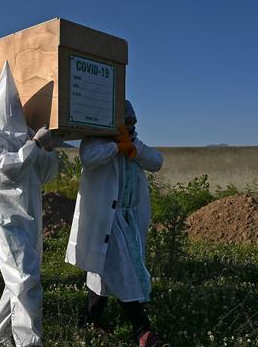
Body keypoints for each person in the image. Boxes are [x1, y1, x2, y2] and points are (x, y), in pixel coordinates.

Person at [0, 62, 58, 347]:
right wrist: (32, 144)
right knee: (24, 276)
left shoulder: (21, 135)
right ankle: (29, 342)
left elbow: (45, 174)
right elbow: (5, 168)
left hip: (29, 211)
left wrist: (47, 149)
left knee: (21, 277)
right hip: (5, 212)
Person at [65, 100, 163, 347]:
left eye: (132, 122)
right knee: (124, 270)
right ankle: (143, 330)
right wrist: (115, 147)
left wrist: (132, 149)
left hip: (129, 219)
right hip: (107, 219)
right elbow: (88, 158)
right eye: (125, 122)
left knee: (103, 274)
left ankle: (90, 320)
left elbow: (156, 161)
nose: (129, 126)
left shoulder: (133, 142)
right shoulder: (97, 141)